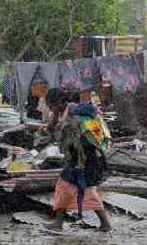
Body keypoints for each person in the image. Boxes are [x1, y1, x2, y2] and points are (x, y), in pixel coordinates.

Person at [44, 89, 112, 232]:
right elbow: (53, 130)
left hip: (85, 159)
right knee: (72, 188)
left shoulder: (73, 113)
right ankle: (59, 223)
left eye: (51, 105)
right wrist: (55, 118)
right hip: (78, 158)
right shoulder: (63, 113)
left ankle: (59, 223)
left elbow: (71, 137)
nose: (50, 108)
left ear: (59, 102)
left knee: (75, 188)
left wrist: (56, 122)